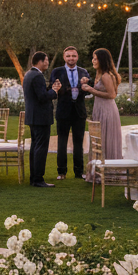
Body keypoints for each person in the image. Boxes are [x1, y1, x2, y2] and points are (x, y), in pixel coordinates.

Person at [81, 48, 122, 181]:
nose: (93, 60)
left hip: (107, 110)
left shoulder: (106, 75)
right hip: (99, 109)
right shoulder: (99, 74)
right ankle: (97, 171)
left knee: (105, 138)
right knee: (99, 140)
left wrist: (91, 89)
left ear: (102, 60)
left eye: (95, 58)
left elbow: (112, 95)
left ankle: (108, 172)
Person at [49, 46, 90, 182]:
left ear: (77, 57)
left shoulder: (83, 71)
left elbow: (89, 90)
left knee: (79, 143)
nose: (71, 58)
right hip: (63, 111)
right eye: (68, 56)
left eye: (73, 56)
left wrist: (86, 85)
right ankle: (61, 172)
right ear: (64, 57)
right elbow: (52, 88)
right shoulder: (57, 71)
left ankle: (79, 172)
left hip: (79, 112)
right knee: (62, 142)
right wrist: (59, 88)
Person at [23, 51, 61, 188]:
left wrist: (50, 89)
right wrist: (54, 90)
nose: (47, 62)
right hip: (40, 117)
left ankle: (34, 178)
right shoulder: (37, 76)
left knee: (35, 147)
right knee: (41, 147)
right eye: (46, 60)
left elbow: (39, 94)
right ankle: (38, 179)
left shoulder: (28, 74)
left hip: (33, 117)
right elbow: (42, 97)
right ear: (40, 61)